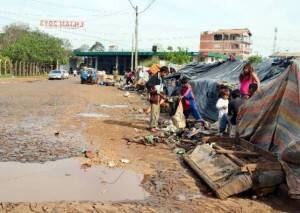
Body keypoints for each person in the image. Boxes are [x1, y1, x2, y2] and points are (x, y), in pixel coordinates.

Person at [146, 66, 169, 132]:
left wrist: (162, 95)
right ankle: (152, 127)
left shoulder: (161, 78)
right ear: (162, 72)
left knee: (157, 112)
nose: (165, 75)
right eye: (165, 73)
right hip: (154, 97)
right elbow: (148, 84)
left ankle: (154, 126)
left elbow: (161, 88)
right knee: (154, 112)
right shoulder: (155, 77)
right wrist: (155, 90)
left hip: (159, 97)